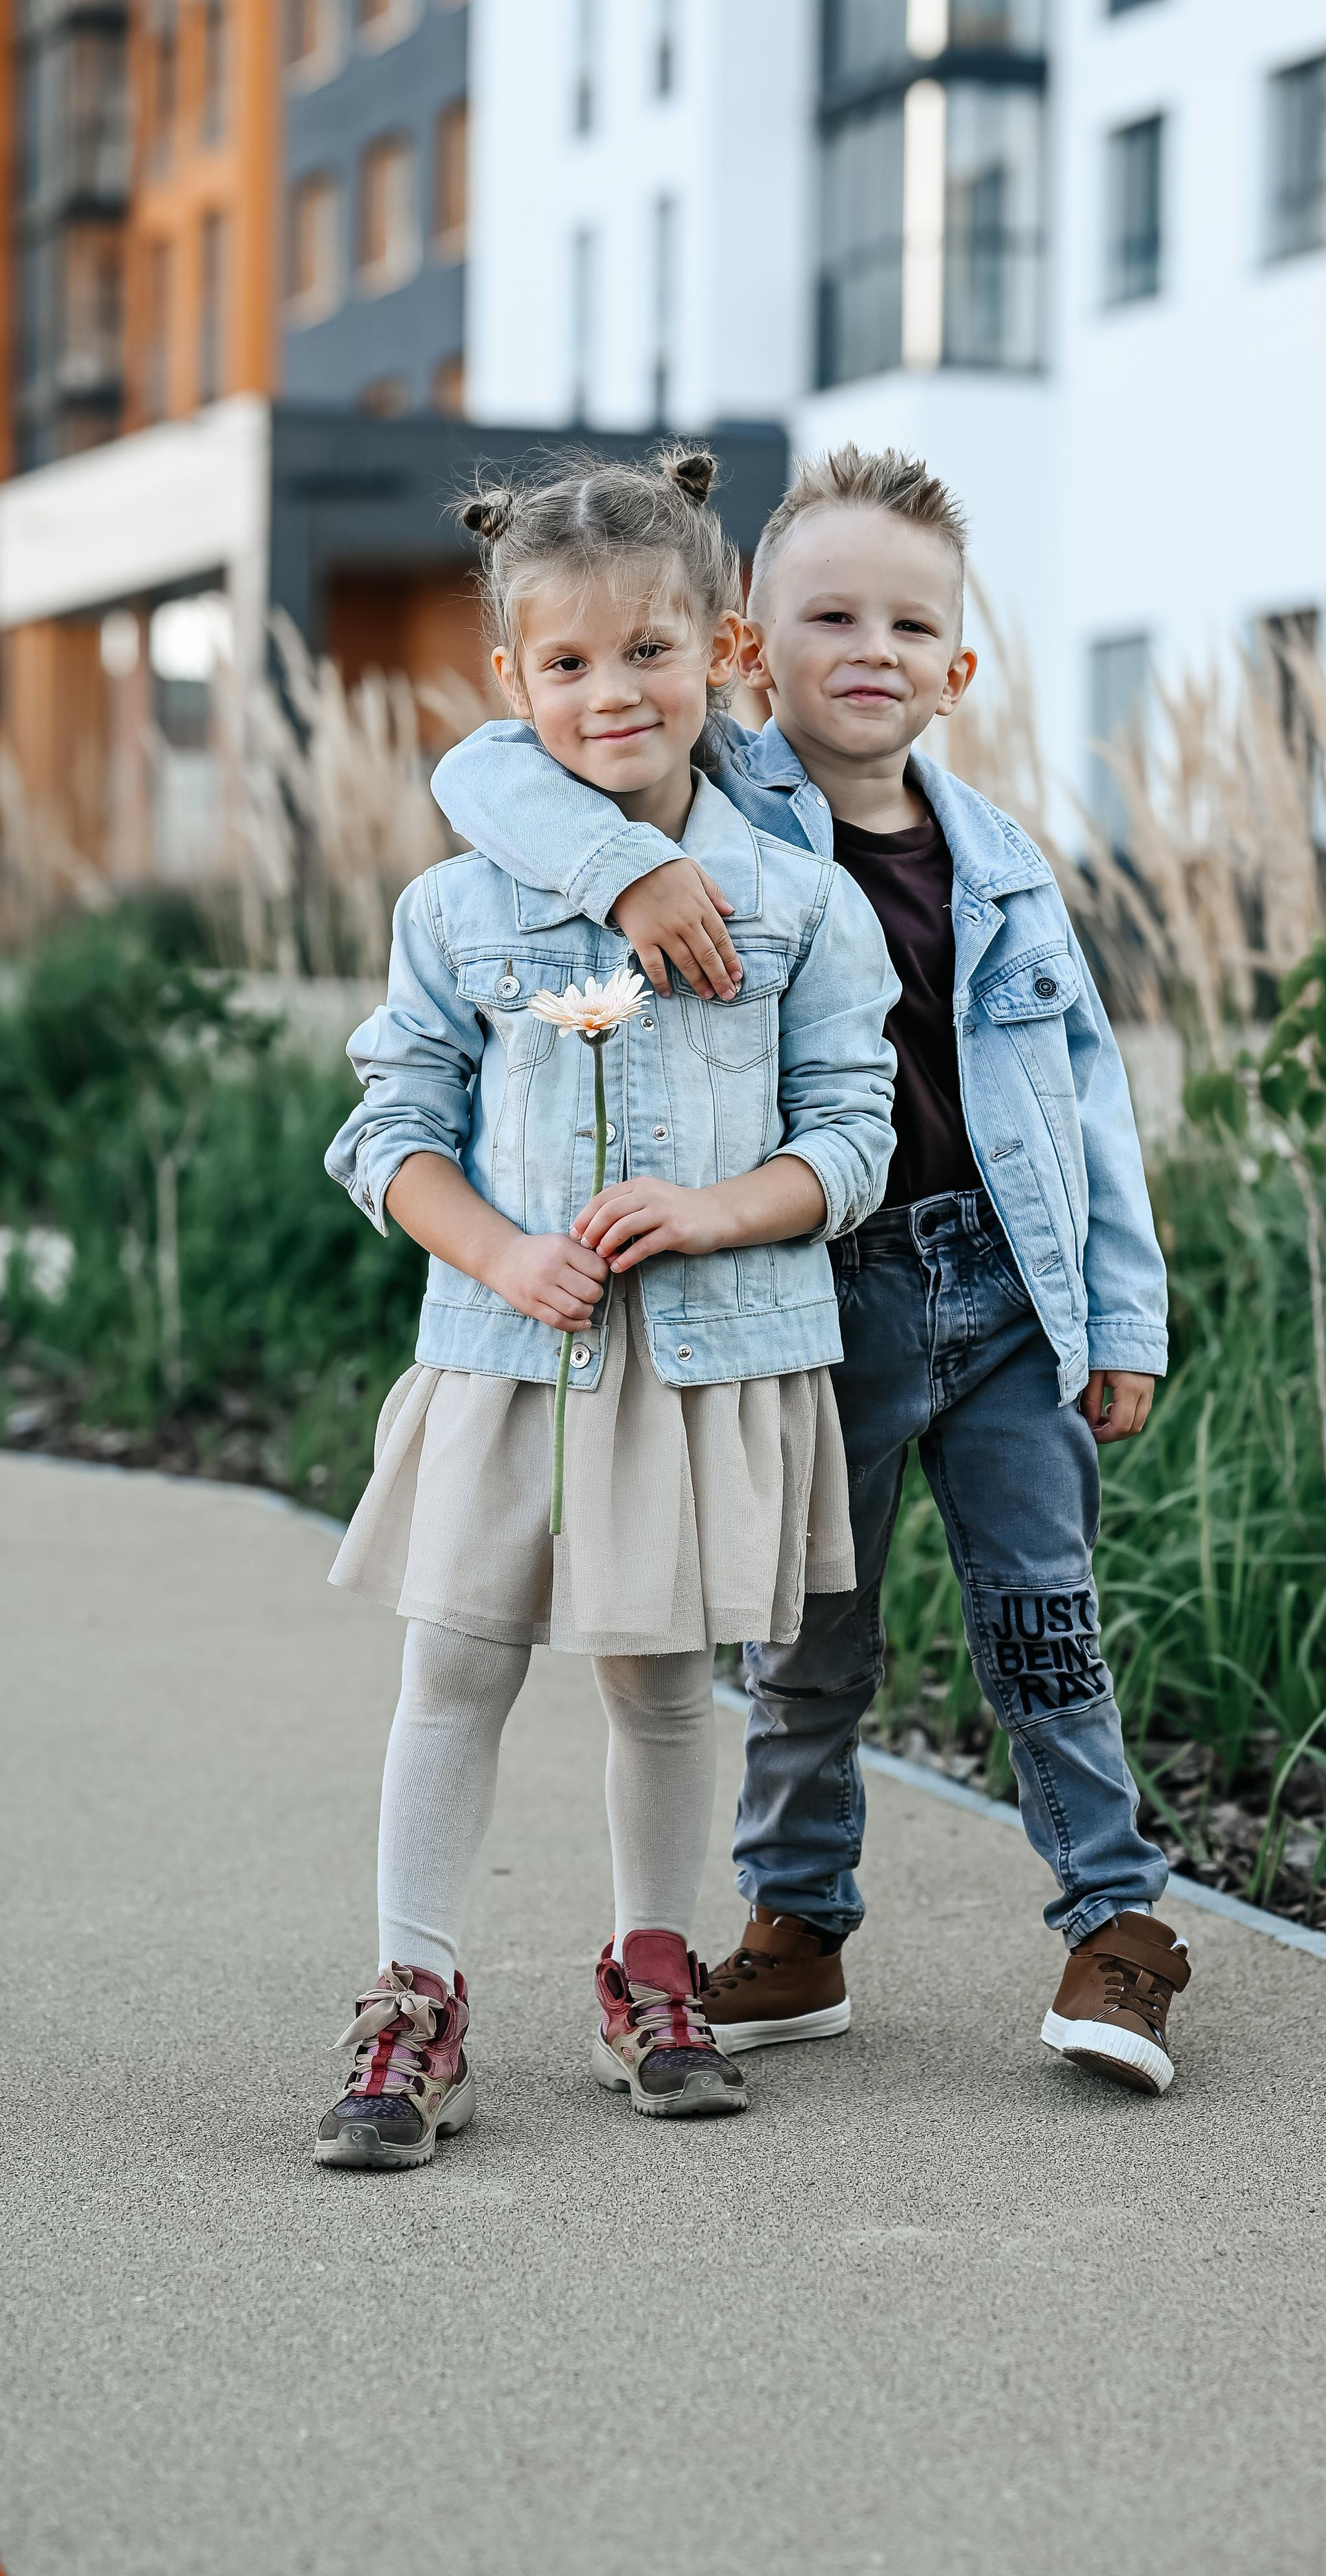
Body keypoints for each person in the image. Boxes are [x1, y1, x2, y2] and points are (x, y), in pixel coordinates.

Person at [434, 444, 1191, 2100]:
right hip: (811, 1290)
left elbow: (1085, 1098)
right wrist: (627, 867)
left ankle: (1118, 1921)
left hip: (1004, 1293)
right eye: (825, 615)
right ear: (744, 652)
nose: (870, 649)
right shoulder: (714, 802)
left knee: (1041, 1613)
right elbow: (489, 773)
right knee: (802, 1631)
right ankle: (795, 1923)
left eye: (908, 623)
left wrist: (1118, 1314)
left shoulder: (1000, 864)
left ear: (956, 667)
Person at [316, 447, 896, 2167]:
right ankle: (411, 1995)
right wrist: (497, 1250)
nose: (608, 693)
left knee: (661, 1681)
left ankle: (655, 1969)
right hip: (510, 1349)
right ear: (512, 682)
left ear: (722, 650)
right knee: (455, 1666)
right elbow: (387, 1128)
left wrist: (717, 1210)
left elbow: (851, 1139)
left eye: (646, 652)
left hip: (706, 1362)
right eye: (562, 665)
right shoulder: (455, 906)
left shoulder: (798, 907)